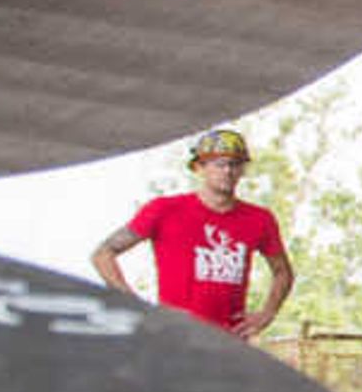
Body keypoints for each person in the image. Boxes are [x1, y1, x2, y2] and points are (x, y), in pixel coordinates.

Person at [95, 126, 294, 337]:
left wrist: (267, 313)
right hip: (174, 338)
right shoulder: (164, 210)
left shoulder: (259, 219)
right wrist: (133, 303)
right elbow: (103, 254)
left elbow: (282, 272)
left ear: (242, 170)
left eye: (235, 164)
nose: (228, 171)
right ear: (199, 167)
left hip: (229, 343)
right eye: (219, 164)